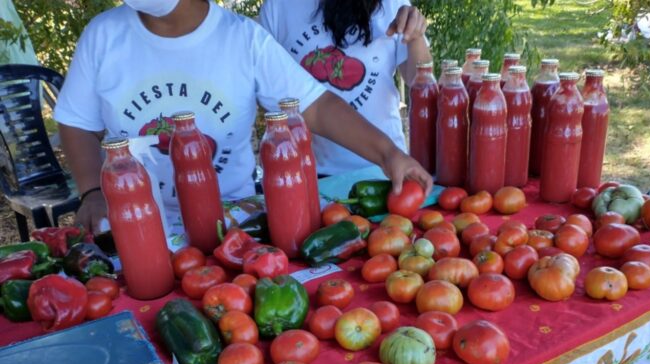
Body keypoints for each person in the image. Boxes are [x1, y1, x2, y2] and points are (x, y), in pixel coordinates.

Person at [54, 0, 432, 233]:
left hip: (233, 223)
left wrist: (389, 154)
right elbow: (76, 120)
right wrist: (91, 191)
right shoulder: (102, 36)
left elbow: (316, 106)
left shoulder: (243, 39)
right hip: (135, 221)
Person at [259, 0, 431, 176]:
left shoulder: (390, 3)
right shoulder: (277, 8)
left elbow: (418, 81)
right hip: (314, 176)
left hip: (388, 170)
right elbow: (275, 100)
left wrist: (415, 37)